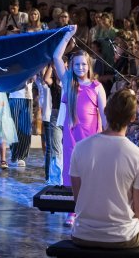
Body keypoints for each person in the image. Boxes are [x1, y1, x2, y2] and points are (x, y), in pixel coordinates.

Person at [69, 89, 139, 256]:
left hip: (81, 233)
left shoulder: (80, 148)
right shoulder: (138, 156)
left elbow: (78, 198)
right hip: (121, 236)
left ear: (105, 112)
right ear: (133, 118)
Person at [53, 26, 107, 227]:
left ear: (89, 65)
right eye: (76, 64)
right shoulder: (68, 82)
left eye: (83, 64)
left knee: (91, 175)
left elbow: (104, 114)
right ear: (72, 65)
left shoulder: (96, 87)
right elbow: (56, 57)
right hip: (71, 138)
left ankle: (90, 211)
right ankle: (73, 211)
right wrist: (68, 36)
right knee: (72, 176)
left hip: (91, 138)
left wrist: (108, 138)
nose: (80, 67)